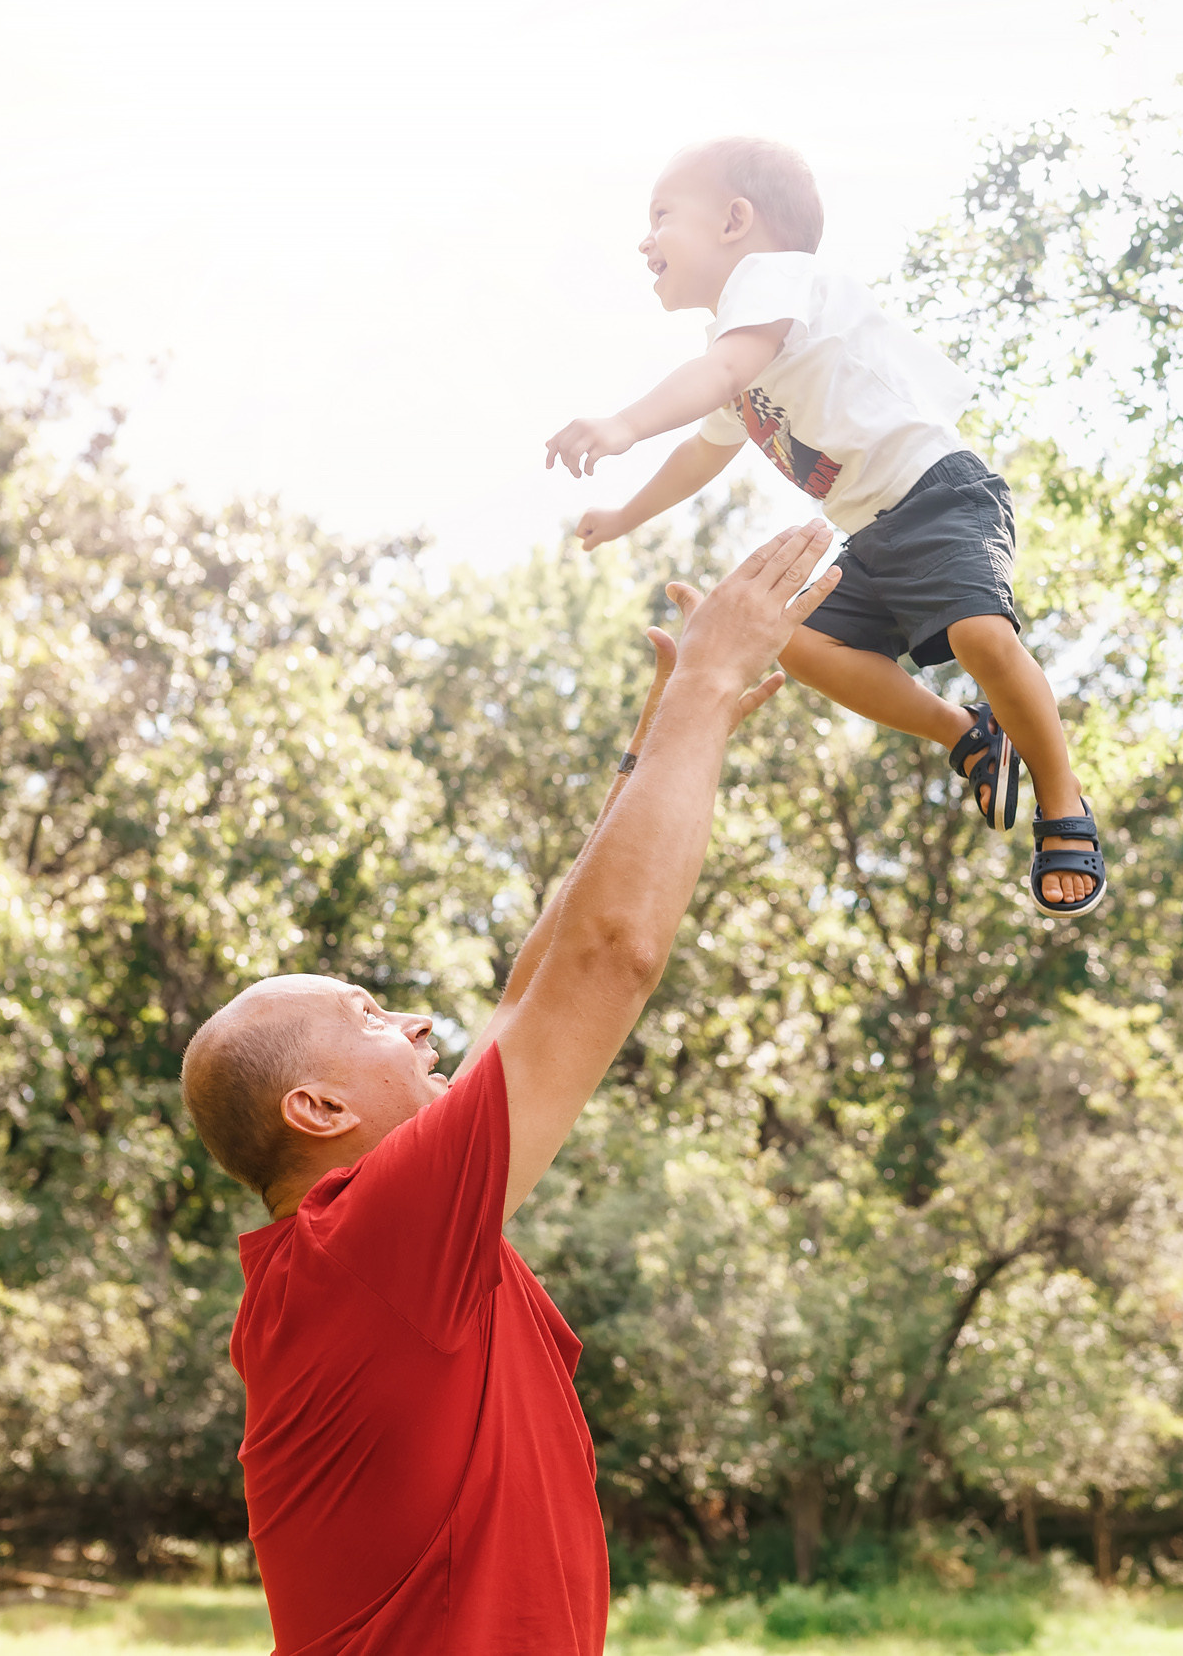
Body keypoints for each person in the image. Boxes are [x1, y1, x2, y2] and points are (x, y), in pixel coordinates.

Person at [178, 524, 840, 1655]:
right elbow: (611, 956)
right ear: (319, 1112)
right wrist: (713, 675)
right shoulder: (366, 1246)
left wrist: (653, 750)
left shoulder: (349, 1257)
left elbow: (531, 992)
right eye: (370, 1017)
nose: (420, 1021)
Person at [543, 136, 1108, 918]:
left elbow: (720, 375)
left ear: (736, 220)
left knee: (981, 635)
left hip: (940, 494)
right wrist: (622, 514)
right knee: (796, 639)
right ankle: (967, 733)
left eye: (663, 215)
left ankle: (1062, 800)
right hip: (872, 531)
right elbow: (700, 455)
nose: (645, 239)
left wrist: (621, 423)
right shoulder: (738, 349)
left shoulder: (773, 283)